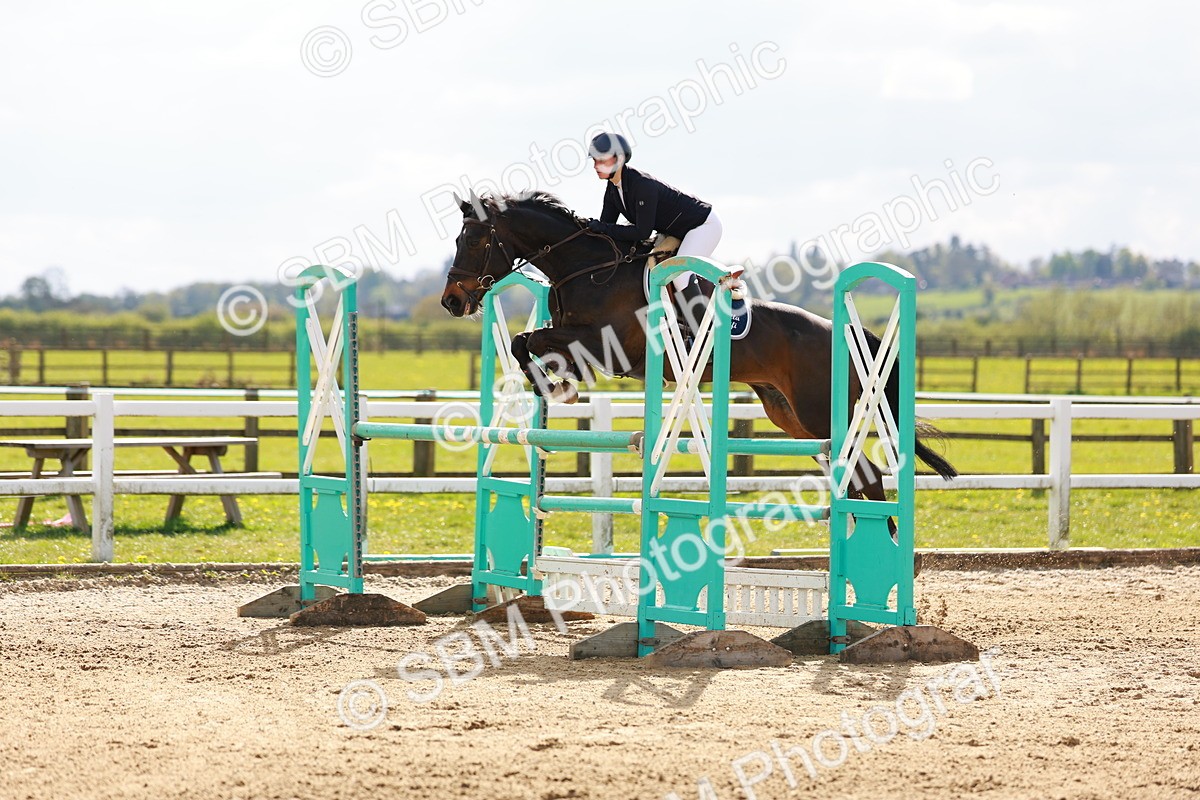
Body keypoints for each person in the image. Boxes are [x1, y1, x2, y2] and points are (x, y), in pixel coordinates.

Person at [585, 132, 723, 331]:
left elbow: (642, 231)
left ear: (619, 159)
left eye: (601, 159)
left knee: (679, 275)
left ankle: (705, 336)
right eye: (595, 160)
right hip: (678, 231)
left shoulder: (642, 185)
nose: (596, 165)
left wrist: (602, 227)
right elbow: (606, 226)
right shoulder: (614, 188)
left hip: (703, 226)